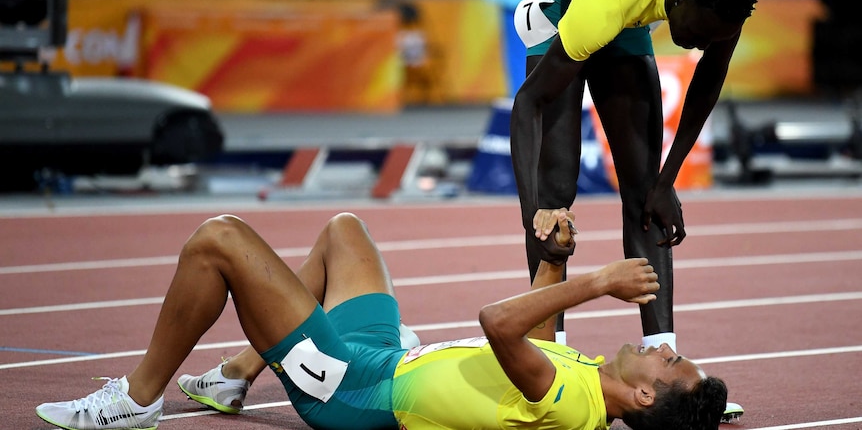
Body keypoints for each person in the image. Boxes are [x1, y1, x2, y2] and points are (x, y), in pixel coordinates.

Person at [36, 210, 728, 430]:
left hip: (350, 390)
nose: (655, 346)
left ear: (643, 395)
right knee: (345, 231)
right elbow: (535, 333)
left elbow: (496, 321)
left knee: (218, 239)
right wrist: (555, 257)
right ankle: (239, 372)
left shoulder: (573, 409)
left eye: (666, 361)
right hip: (389, 355)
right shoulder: (583, 379)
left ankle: (136, 400)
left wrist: (598, 280)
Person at [509, 0, 759, 419]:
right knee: (556, 186)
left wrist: (667, 182)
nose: (700, 44)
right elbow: (530, 105)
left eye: (715, 37)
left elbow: (707, 83)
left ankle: (666, 369)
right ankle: (549, 361)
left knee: (647, 194)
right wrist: (532, 214)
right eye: (698, 33)